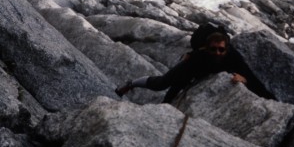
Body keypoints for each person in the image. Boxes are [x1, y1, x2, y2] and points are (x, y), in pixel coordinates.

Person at [115, 31, 273, 103]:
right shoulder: (198, 57)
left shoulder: (233, 56)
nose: (217, 52)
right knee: (161, 84)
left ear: (227, 48)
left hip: (202, 73)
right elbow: (179, 81)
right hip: (191, 70)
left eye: (221, 49)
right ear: (207, 48)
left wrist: (244, 78)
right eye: (213, 49)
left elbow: (249, 75)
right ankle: (131, 84)